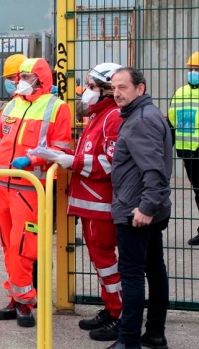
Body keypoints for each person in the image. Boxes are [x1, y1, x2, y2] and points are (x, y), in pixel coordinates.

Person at [0, 57, 72, 328]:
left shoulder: (57, 109)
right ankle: (16, 296)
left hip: (30, 188)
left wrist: (31, 161)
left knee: (23, 246)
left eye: (25, 77)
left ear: (40, 79)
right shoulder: (12, 105)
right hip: (2, 186)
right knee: (8, 245)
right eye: (18, 76)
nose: (18, 81)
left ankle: (24, 302)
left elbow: (61, 151)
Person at [45, 63, 124, 341]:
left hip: (101, 205)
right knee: (101, 261)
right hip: (91, 204)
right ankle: (112, 309)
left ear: (106, 91)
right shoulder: (98, 115)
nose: (86, 92)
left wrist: (71, 161)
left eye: (92, 87)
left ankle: (119, 314)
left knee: (106, 262)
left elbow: (111, 163)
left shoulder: (112, 116)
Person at [107, 67, 172, 349]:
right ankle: (155, 334)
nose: (117, 93)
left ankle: (128, 341)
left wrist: (144, 208)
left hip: (137, 211)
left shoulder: (140, 121)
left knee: (133, 275)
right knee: (154, 270)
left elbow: (154, 171)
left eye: (123, 87)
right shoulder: (143, 115)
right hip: (146, 208)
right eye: (114, 88)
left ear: (140, 89)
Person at [169, 52, 199, 245]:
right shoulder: (179, 93)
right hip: (186, 152)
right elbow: (172, 122)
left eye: (197, 70)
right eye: (191, 70)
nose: (193, 73)